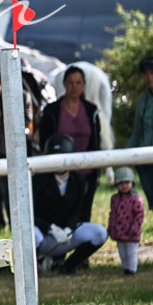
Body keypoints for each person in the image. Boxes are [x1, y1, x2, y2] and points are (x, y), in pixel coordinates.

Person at [31, 133, 108, 275]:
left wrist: (68, 229)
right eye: (55, 157)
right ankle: (33, 270)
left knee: (99, 232)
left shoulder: (79, 180)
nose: (60, 162)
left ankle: (69, 266)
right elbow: (30, 214)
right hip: (42, 235)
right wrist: (51, 228)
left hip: (65, 236)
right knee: (31, 234)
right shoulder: (38, 180)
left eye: (63, 156)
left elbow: (77, 212)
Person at [39, 65, 103, 223]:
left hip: (87, 172)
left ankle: (82, 247)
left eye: (78, 82)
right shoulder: (52, 111)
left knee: (84, 216)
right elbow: (44, 141)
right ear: (64, 84)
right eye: (71, 82)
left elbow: (96, 141)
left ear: (83, 85)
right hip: (61, 173)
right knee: (62, 216)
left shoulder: (91, 110)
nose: (74, 87)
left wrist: (97, 171)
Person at [127, 55, 153, 237]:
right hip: (146, 163)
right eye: (145, 73)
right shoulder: (142, 101)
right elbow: (137, 133)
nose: (149, 77)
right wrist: (124, 158)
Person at [108, 166, 144, 276]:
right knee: (122, 253)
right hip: (119, 232)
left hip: (131, 233)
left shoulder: (136, 199)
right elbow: (112, 213)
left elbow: (139, 216)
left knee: (131, 252)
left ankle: (132, 270)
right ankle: (126, 268)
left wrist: (135, 228)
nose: (124, 186)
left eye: (127, 182)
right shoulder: (115, 198)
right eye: (120, 183)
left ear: (132, 182)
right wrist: (111, 227)